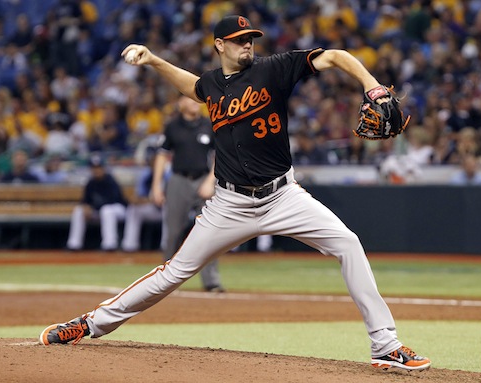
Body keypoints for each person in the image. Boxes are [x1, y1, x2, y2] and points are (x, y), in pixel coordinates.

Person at [40, 15, 430, 372]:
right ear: (219, 45)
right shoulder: (211, 84)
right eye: (239, 40)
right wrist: (155, 60)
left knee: (348, 243)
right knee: (173, 273)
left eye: (251, 39)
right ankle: (88, 324)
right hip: (229, 204)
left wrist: (373, 86)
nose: (248, 45)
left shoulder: (274, 69)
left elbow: (336, 56)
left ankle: (385, 345)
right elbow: (192, 87)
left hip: (283, 196)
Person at [151, 95, 224, 292]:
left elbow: (220, 154)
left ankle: (212, 281)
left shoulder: (209, 125)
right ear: (180, 103)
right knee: (173, 231)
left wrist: (211, 180)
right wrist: (156, 185)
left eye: (196, 99)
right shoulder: (172, 126)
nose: (194, 102)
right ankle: (164, 282)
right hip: (179, 180)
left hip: (203, 179)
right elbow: (162, 155)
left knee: (209, 232)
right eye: (189, 98)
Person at [66, 154, 128, 251]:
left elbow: (112, 200)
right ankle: (74, 244)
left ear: (103, 168)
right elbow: (85, 200)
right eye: (94, 168)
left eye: (98, 167)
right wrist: (86, 207)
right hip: (99, 210)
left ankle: (110, 244)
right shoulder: (91, 183)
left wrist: (92, 208)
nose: (96, 170)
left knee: (106, 210)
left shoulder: (110, 181)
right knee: (79, 211)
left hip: (118, 209)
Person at [120, 147, 163, 252]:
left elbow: (166, 199)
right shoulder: (145, 174)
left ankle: (166, 245)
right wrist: (137, 200)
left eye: (155, 159)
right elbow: (140, 196)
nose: (153, 161)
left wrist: (148, 200)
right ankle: (130, 246)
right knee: (133, 209)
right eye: (151, 159)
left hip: (166, 209)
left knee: (169, 208)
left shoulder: (168, 173)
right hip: (152, 209)